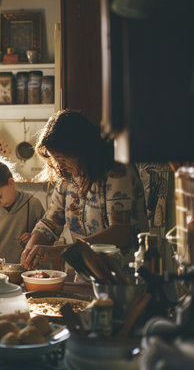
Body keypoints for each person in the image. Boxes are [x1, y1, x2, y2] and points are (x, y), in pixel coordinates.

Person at [20, 109, 148, 271]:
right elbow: (50, 223)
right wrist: (30, 250)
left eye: (62, 159)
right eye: (55, 159)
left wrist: (61, 251)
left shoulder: (117, 171)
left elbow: (120, 233)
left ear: (82, 150)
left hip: (124, 276)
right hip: (87, 272)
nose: (59, 166)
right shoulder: (68, 178)